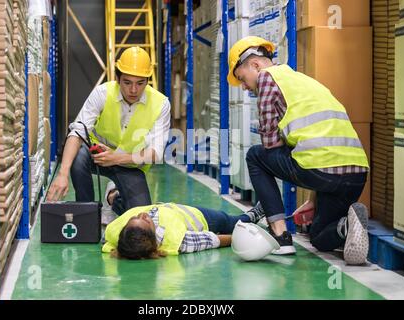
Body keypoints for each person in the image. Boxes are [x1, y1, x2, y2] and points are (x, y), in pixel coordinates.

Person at [227, 36, 370, 265]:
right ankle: (346, 226)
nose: (244, 87)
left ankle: (280, 235)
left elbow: (270, 143)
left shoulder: (266, 78)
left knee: (255, 156)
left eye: (242, 79)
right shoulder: (303, 80)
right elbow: (319, 140)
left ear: (255, 65)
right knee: (319, 236)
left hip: (320, 169)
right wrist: (313, 198)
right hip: (356, 174)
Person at [47, 47, 171, 224]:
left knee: (141, 217)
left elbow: (155, 154)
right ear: (117, 78)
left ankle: (112, 197)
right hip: (97, 156)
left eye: (140, 83)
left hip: (130, 164)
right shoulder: (102, 93)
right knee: (78, 157)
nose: (134, 90)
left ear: (147, 81)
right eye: (127, 82)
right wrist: (62, 173)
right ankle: (87, 213)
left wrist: (116, 158)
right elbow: (77, 132)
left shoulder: (161, 104)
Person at [101, 203, 265, 259]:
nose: (143, 214)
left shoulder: (118, 236)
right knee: (230, 222)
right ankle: (251, 216)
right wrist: (239, 235)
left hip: (172, 208)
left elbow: (108, 243)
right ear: (153, 236)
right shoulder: (177, 241)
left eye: (134, 217)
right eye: (145, 220)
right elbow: (212, 240)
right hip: (199, 218)